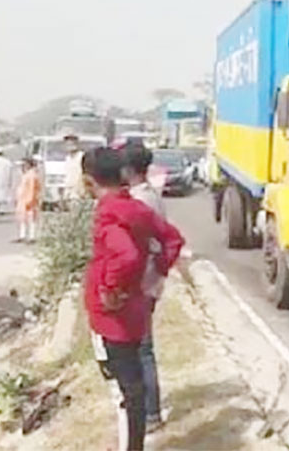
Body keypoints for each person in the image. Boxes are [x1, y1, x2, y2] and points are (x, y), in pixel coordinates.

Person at [82, 147, 184, 451]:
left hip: (110, 315)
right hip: (134, 307)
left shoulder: (109, 213)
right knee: (133, 385)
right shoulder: (137, 208)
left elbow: (125, 255)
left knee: (124, 393)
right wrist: (153, 275)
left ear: (89, 182)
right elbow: (173, 239)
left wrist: (112, 289)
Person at [120, 143, 168, 432]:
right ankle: (146, 408)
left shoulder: (140, 202)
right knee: (140, 348)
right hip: (149, 281)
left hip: (141, 284)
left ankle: (150, 413)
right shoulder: (149, 196)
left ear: (128, 169)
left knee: (142, 349)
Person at [15, 157, 42, 243]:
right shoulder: (26, 174)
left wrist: (30, 200)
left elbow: (32, 189)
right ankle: (22, 235)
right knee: (22, 218)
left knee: (31, 219)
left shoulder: (32, 175)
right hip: (23, 200)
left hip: (29, 200)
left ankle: (32, 236)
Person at [62, 134, 85, 205]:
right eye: (68, 144)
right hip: (69, 192)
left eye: (73, 143)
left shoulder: (82, 157)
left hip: (79, 193)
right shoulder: (67, 158)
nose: (70, 146)